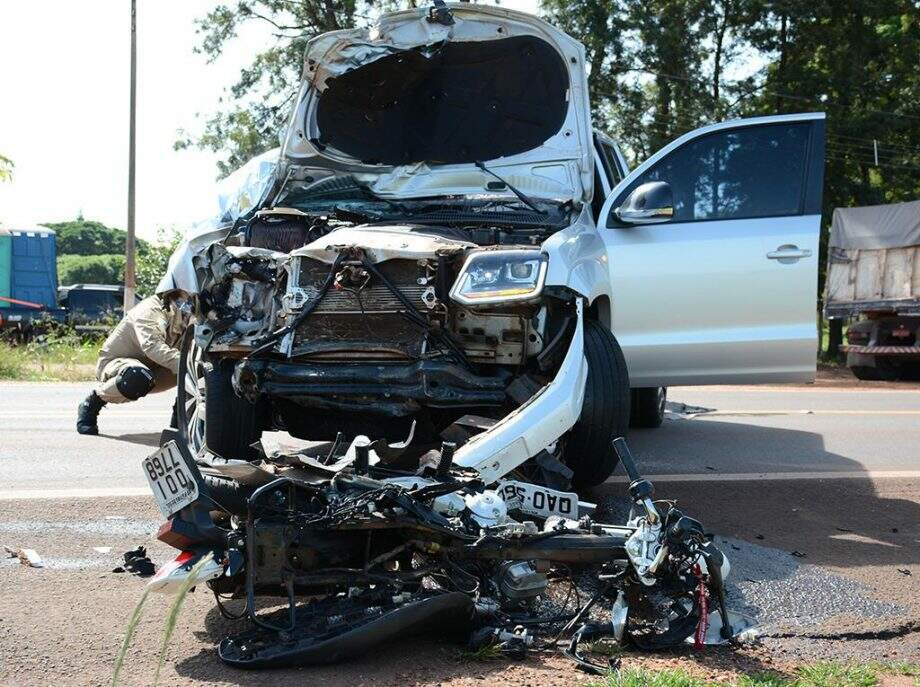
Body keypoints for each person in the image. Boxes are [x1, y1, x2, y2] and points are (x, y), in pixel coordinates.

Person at [76, 290, 194, 435]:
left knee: (203, 370)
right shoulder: (152, 309)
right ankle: (93, 401)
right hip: (119, 365)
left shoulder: (189, 313)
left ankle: (181, 419)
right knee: (138, 377)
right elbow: (152, 347)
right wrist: (188, 366)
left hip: (156, 367)